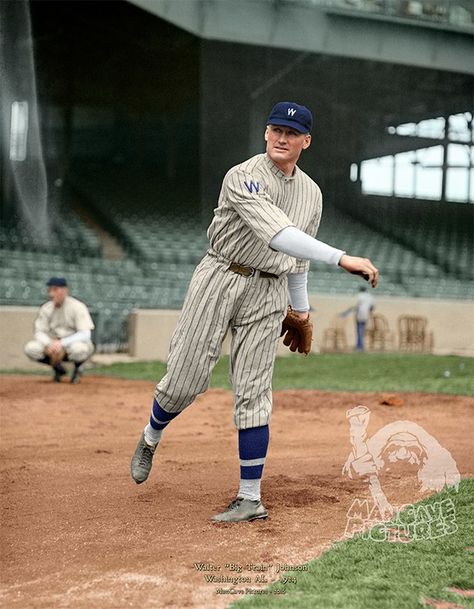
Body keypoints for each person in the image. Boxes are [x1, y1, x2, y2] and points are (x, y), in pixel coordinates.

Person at [130, 101, 379, 523]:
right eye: (275, 129)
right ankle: (151, 435)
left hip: (269, 291)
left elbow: (296, 261)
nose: (282, 137)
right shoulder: (243, 176)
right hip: (220, 276)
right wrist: (341, 258)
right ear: (266, 133)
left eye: (292, 132)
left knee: (254, 393)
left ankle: (250, 498)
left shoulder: (312, 193)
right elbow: (280, 236)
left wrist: (300, 311)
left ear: (306, 141)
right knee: (185, 381)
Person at [24, 277, 95, 383]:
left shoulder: (77, 306)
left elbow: (85, 334)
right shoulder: (46, 308)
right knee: (31, 348)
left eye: (55, 290)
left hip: (73, 343)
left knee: (79, 350)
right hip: (53, 343)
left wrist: (62, 343)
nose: (51, 294)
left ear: (65, 290)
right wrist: (49, 343)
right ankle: (58, 368)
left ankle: (78, 368)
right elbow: (39, 332)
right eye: (50, 290)